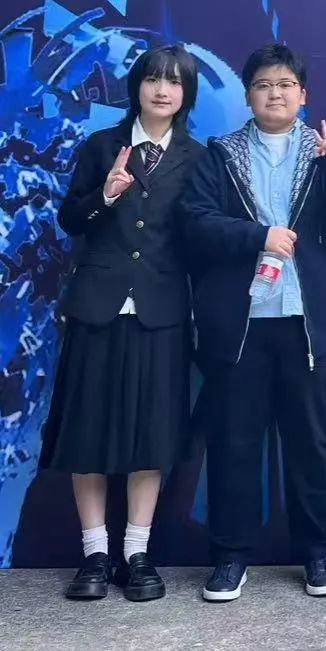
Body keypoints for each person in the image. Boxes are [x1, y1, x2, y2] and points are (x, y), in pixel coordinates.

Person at [178, 44, 326, 602]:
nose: (275, 94)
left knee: (314, 445)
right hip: (239, 324)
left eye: (286, 85)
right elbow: (194, 223)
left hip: (307, 324)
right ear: (248, 96)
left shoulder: (325, 155)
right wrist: (257, 237)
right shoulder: (220, 156)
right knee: (234, 442)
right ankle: (230, 558)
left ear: (303, 95)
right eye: (264, 85)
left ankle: (317, 555)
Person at [43, 44, 203, 602]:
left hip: (162, 312)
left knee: (151, 433)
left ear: (186, 94)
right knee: (86, 429)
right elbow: (71, 218)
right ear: (137, 86)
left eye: (174, 82)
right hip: (97, 306)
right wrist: (105, 196)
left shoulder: (197, 157)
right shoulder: (101, 146)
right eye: (153, 79)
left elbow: (201, 234)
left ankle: (137, 552)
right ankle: (95, 553)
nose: (162, 90)